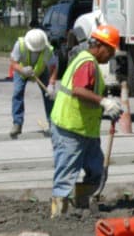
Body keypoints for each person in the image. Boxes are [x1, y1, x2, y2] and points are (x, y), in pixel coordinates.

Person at [47, 22, 122, 216]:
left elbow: (90, 94)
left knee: (96, 168)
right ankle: (59, 214)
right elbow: (79, 91)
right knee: (66, 173)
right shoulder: (87, 62)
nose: (112, 55)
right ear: (100, 46)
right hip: (70, 128)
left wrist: (105, 103)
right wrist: (104, 102)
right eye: (111, 50)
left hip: (84, 130)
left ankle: (84, 205)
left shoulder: (89, 62)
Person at [9, 27, 58, 139]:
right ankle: (17, 123)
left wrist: (51, 84)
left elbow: (54, 67)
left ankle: (53, 124)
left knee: (48, 96)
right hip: (22, 71)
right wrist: (22, 70)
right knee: (17, 93)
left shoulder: (47, 49)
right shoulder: (20, 45)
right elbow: (13, 62)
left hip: (41, 71)